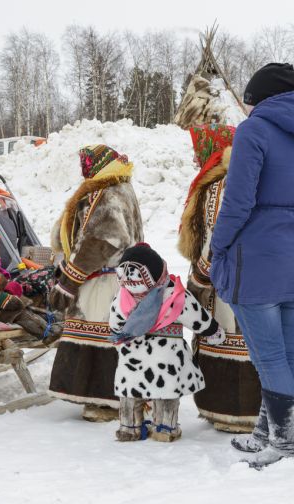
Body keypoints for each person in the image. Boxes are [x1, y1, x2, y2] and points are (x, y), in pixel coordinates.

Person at [210, 62, 294, 469]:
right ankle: (267, 431)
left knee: (268, 358)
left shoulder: (254, 131)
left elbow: (238, 202)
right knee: (288, 355)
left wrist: (217, 247)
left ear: (259, 98)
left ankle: (285, 441)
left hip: (256, 262)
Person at [48, 145, 143, 422]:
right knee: (106, 336)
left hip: (104, 281)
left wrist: (70, 278)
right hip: (113, 279)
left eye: (86, 164)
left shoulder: (109, 193)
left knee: (100, 336)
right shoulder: (118, 188)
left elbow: (104, 239)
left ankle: (106, 400)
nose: (84, 170)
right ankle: (107, 396)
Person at [178, 123, 261, 433]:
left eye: (198, 149)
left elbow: (217, 239)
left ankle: (233, 411)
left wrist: (199, 278)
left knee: (227, 338)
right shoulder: (253, 177)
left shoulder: (220, 186)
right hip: (257, 281)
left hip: (225, 283)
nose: (194, 157)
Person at [109, 244, 224, 442]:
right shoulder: (174, 295)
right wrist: (214, 332)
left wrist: (121, 340)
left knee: (130, 393)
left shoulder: (123, 297)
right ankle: (165, 428)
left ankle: (129, 427)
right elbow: (197, 318)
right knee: (166, 392)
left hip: (132, 357)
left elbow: (115, 325)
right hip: (167, 359)